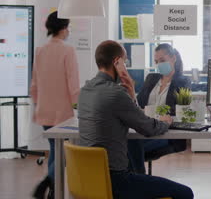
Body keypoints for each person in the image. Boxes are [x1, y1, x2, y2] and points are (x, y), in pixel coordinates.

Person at [78, 40, 193, 199]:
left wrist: (131, 92)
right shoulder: (116, 93)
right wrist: (165, 122)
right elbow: (149, 128)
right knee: (185, 193)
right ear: (117, 62)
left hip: (87, 178)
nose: (125, 66)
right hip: (115, 180)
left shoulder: (85, 90)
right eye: (124, 62)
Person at [31, 11, 80, 199]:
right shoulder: (68, 51)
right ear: (63, 29)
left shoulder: (40, 50)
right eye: (68, 27)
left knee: (55, 148)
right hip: (63, 111)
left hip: (44, 109)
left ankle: (52, 189)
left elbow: (34, 83)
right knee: (64, 152)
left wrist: (37, 105)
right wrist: (78, 107)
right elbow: (73, 84)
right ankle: (49, 181)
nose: (69, 31)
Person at [128, 43, 190, 174]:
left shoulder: (182, 81)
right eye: (156, 61)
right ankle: (135, 181)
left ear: (173, 58)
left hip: (165, 132)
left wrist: (149, 112)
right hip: (144, 128)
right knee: (126, 144)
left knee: (132, 146)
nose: (159, 64)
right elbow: (139, 105)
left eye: (162, 60)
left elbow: (177, 111)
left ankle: (138, 182)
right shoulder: (151, 78)